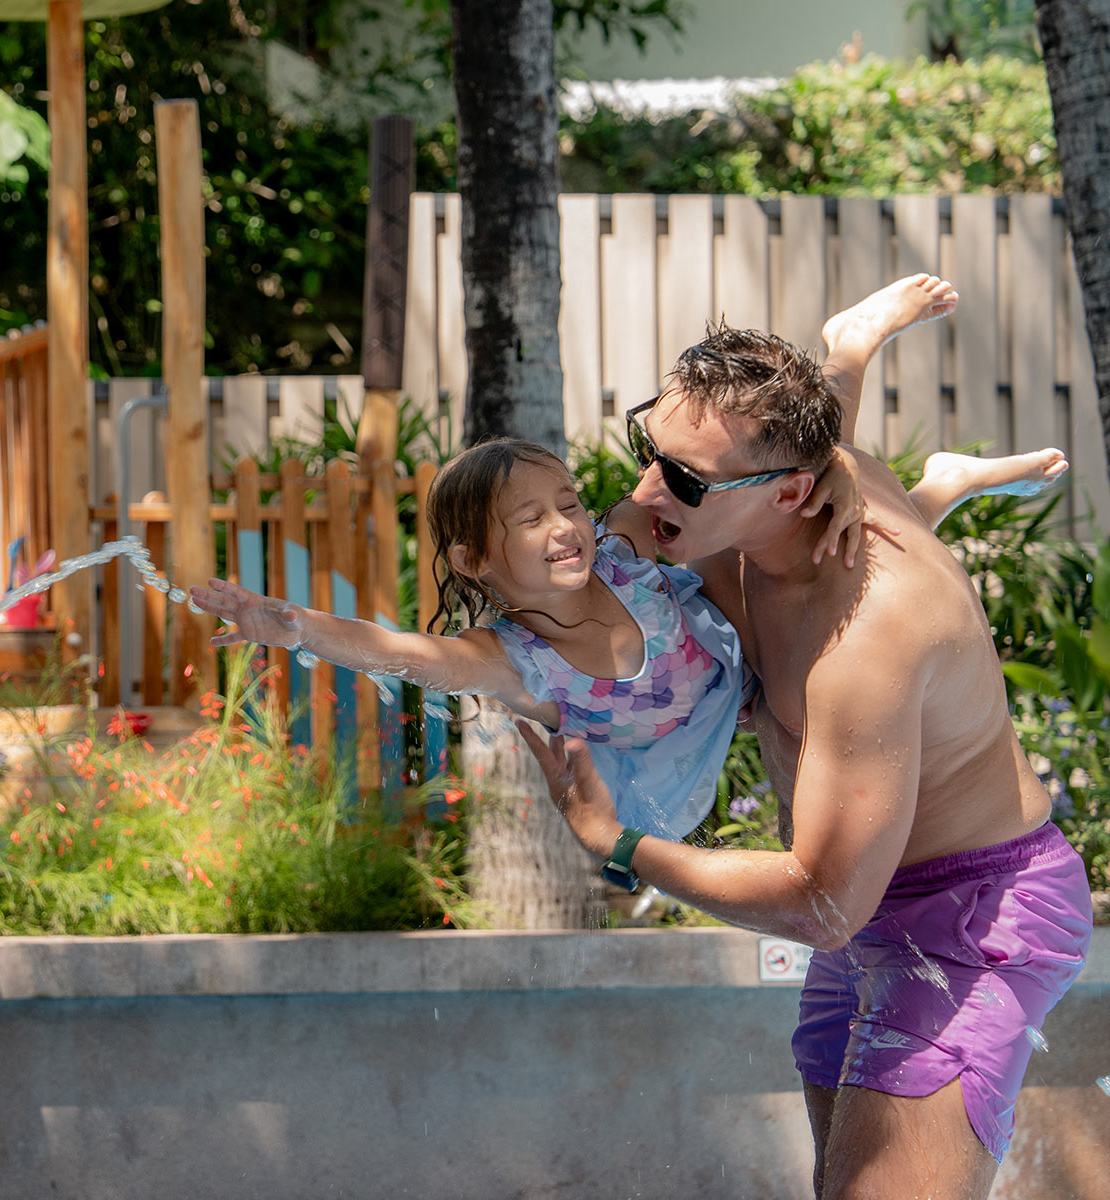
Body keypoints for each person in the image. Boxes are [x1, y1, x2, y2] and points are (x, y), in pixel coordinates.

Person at [516, 294, 1091, 1197]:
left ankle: (923, 464)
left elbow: (823, 904)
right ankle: (860, 362)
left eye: (687, 480)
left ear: (791, 493)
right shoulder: (757, 505)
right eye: (647, 449)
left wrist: (618, 844)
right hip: (866, 894)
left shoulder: (865, 642)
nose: (645, 492)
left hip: (968, 916)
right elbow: (649, 522)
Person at [191, 275, 1066, 843]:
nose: (568, 525)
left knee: (797, 510)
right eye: (530, 522)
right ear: (474, 558)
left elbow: (767, 459)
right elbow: (399, 653)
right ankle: (939, 488)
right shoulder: (519, 666)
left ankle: (854, 353)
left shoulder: (616, 546)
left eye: (568, 502)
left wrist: (831, 463)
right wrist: (290, 625)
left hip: (734, 658)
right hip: (698, 739)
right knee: (793, 536)